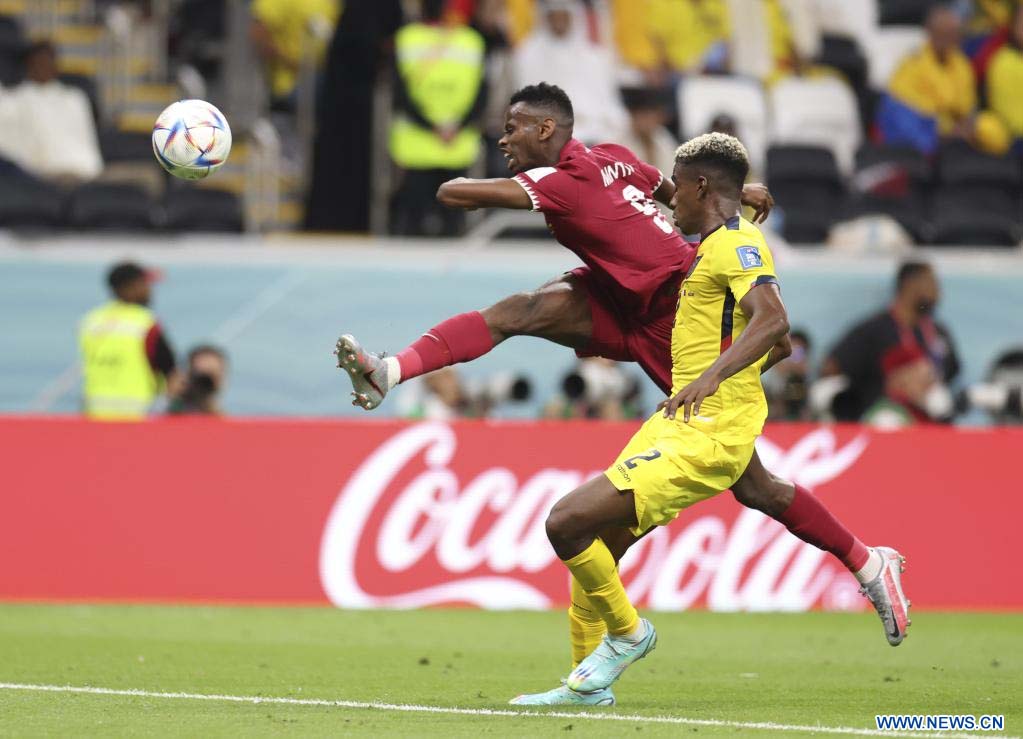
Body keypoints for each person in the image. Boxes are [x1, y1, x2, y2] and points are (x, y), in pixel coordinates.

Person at [335, 84, 910, 703]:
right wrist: (735, 194)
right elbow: (673, 192)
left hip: (668, 314)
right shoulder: (615, 158)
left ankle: (864, 563)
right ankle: (389, 370)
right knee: (519, 310)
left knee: (737, 490)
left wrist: (456, 188)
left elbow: (455, 194)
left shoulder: (563, 183)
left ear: (549, 133)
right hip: (618, 295)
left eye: (514, 127)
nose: (503, 138)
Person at [388, 0, 487, 236]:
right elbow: (399, 93)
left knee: (452, 226)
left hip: (452, 147)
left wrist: (442, 127)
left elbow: (482, 92)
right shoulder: (408, 38)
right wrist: (447, 127)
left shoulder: (470, 40)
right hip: (423, 149)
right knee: (414, 222)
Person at [820, 261, 960, 422]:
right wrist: (885, 385)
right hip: (882, 418)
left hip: (929, 422)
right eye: (931, 283)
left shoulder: (937, 332)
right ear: (910, 285)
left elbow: (952, 370)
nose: (938, 293)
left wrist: (924, 377)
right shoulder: (874, 330)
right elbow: (831, 366)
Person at [513, 0, 628, 144]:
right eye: (554, 17)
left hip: (594, 133)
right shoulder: (528, 56)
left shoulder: (594, 57)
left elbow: (610, 106)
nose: (559, 23)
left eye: (563, 17)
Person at [79, 262, 179, 420]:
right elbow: (171, 373)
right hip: (137, 415)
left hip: (95, 414)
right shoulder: (146, 323)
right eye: (144, 284)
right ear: (128, 287)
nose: (149, 290)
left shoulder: (92, 321)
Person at [877, 4, 977, 154]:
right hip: (923, 127)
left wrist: (962, 126)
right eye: (941, 33)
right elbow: (904, 102)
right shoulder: (914, 62)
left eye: (951, 34)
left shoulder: (962, 64)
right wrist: (944, 125)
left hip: (955, 129)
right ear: (930, 33)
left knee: (990, 128)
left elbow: (966, 106)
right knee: (896, 111)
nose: (946, 40)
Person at [0, 40, 102, 184]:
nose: (45, 66)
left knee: (142, 178)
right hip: (51, 175)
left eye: (50, 61)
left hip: (89, 172)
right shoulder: (16, 100)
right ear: (29, 65)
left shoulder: (74, 97)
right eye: (40, 61)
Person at [861, 344, 953, 429]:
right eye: (923, 379)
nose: (929, 387)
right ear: (899, 380)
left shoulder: (920, 412)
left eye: (930, 380)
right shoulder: (886, 416)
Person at [167, 345, 229, 415]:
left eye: (211, 375)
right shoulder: (170, 411)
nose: (204, 384)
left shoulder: (224, 421)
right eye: (200, 376)